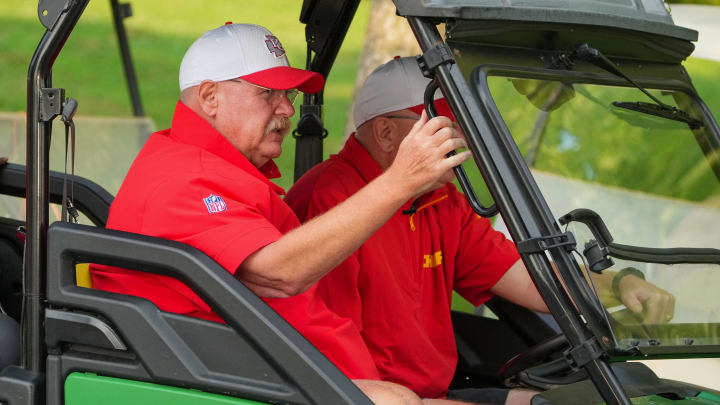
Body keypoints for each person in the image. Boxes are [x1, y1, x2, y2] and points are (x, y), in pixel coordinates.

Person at [90, 25, 470, 405]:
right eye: (267, 93)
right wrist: (401, 181)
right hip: (231, 381)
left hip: (280, 371)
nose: (287, 108)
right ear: (210, 96)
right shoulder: (182, 181)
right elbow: (279, 274)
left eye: (286, 94)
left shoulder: (217, 171)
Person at [285, 56, 676, 405]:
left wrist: (618, 284)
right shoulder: (331, 201)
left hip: (433, 392)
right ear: (387, 134)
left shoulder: (440, 199)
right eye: (444, 126)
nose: (462, 141)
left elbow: (528, 279)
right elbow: (333, 364)